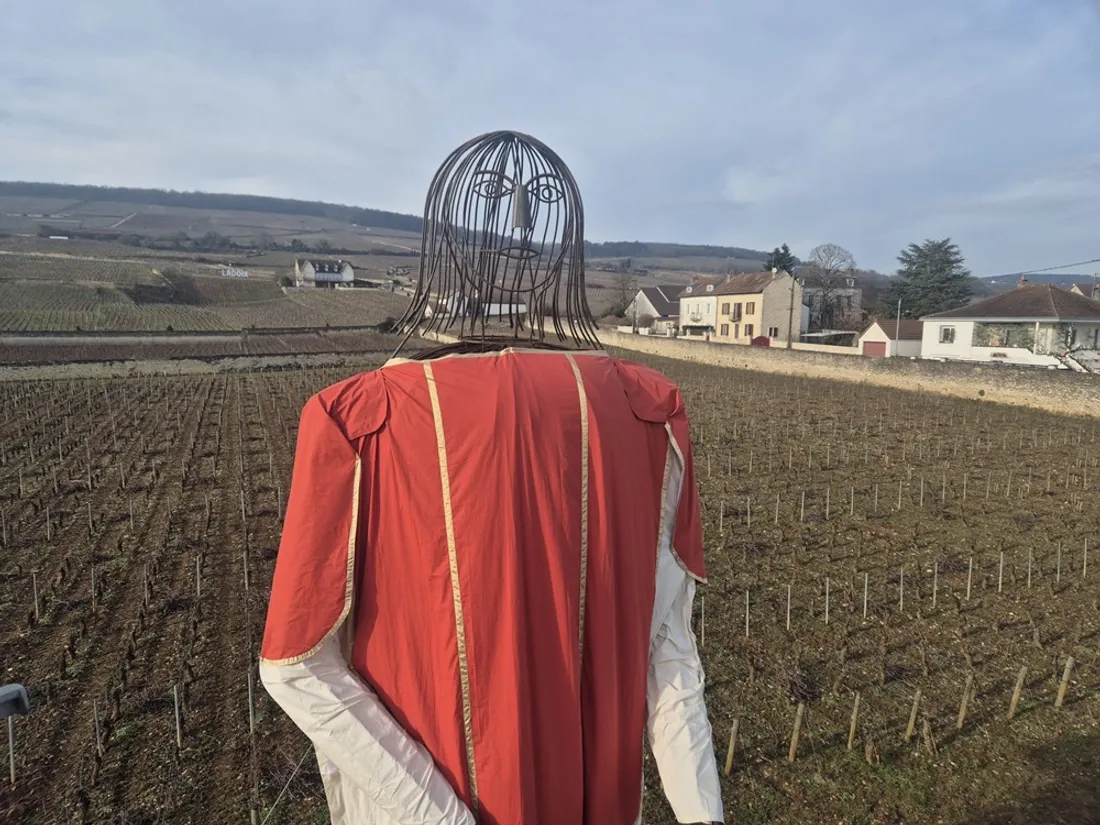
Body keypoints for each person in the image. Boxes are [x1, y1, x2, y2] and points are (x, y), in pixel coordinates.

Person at [260, 131, 724, 825]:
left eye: (529, 208)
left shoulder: (356, 421)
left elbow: (296, 665)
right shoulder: (647, 415)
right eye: (501, 206)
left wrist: (440, 815)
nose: (515, 225)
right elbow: (669, 652)